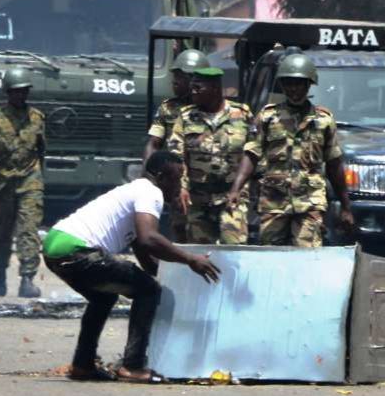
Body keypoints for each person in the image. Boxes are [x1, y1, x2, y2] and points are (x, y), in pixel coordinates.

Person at [43, 150, 221, 382]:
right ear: (159, 175)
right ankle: (133, 365)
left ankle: (82, 364)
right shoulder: (150, 192)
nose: (178, 186)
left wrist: (176, 280)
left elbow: (145, 256)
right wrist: (190, 259)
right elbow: (149, 238)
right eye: (176, 179)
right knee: (148, 290)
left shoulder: (134, 191)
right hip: (77, 250)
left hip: (54, 248)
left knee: (103, 297)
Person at [227, 52, 354, 247]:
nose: (293, 89)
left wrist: (346, 207)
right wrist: (236, 188)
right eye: (288, 84)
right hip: (274, 201)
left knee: (307, 256)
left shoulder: (323, 120)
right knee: (271, 257)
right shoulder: (268, 117)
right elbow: (252, 153)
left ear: (309, 84)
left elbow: (334, 163)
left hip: (309, 202)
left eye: (299, 83)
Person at [0, 67, 45, 298]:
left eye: (24, 91)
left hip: (29, 181)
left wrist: (39, 177)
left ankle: (27, 279)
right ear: (7, 92)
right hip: (1, 183)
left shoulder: (37, 118)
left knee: (29, 231)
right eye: (16, 91)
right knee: (0, 234)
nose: (20, 96)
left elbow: (41, 150)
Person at [166, 65, 251, 245]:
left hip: (231, 196)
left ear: (214, 88)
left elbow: (252, 153)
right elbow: (177, 156)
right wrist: (181, 188)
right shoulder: (186, 117)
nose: (193, 92)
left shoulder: (242, 114)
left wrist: (242, 187)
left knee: (234, 249)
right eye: (192, 87)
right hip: (198, 199)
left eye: (198, 88)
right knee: (200, 252)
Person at [144, 48, 210, 236]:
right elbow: (153, 143)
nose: (174, 82)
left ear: (193, 80)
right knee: (180, 230)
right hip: (178, 178)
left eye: (180, 77)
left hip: (205, 180)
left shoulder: (210, 108)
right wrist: (148, 174)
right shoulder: (168, 108)